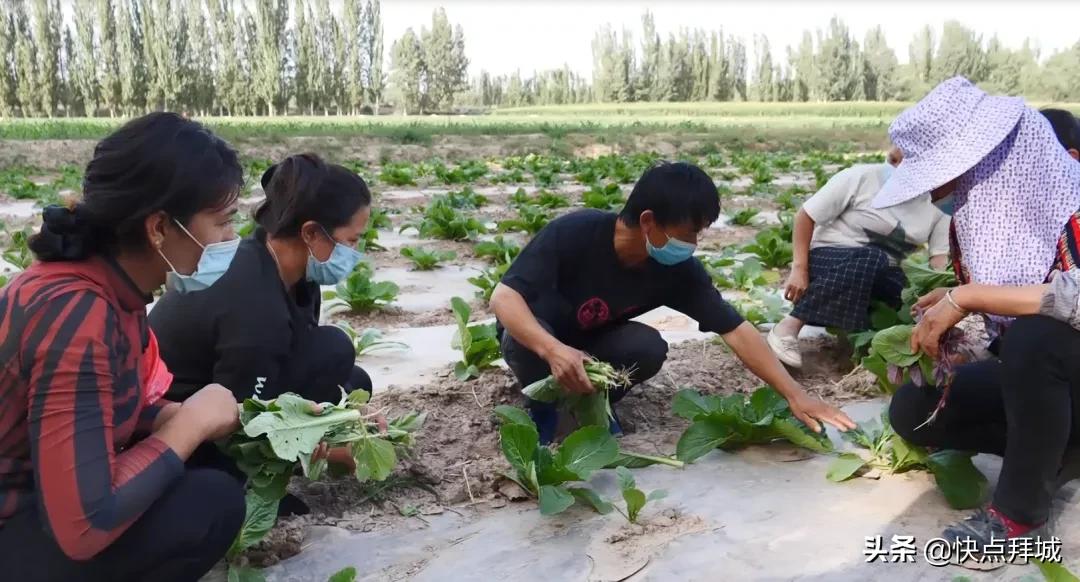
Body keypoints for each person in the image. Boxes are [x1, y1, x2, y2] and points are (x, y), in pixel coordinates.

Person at [0, 112, 246, 581]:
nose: (230, 239)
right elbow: (83, 525)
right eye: (221, 222)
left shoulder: (109, 291)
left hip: (38, 491)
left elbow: (86, 412)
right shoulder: (76, 314)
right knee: (209, 503)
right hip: (17, 519)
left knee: (210, 462)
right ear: (159, 228)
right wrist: (189, 424)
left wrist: (166, 417)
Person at [491, 161, 856, 444]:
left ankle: (588, 404)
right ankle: (543, 406)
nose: (693, 242)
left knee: (647, 348)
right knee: (523, 343)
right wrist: (554, 350)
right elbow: (504, 298)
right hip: (540, 335)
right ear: (648, 221)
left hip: (592, 341)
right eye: (688, 233)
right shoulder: (576, 233)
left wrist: (796, 395)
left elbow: (736, 329)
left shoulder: (677, 269)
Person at [876, 78, 1080, 557]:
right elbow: (1016, 298)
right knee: (916, 409)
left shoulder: (1072, 201)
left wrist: (969, 296)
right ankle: (1059, 450)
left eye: (939, 175)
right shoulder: (981, 217)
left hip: (1058, 362)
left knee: (1036, 339)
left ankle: (1019, 516)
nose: (932, 194)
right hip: (1065, 388)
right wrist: (959, 308)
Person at [150, 153, 373, 405]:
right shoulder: (255, 301)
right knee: (334, 349)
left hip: (238, 377)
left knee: (355, 382)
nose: (354, 252)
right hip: (181, 410)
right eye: (351, 240)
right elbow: (242, 411)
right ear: (310, 232)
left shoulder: (292, 273)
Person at [767, 146, 951, 368]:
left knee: (905, 297)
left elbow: (939, 260)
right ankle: (789, 327)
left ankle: (854, 342)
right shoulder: (862, 176)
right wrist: (799, 269)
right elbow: (805, 216)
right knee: (872, 257)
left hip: (881, 271)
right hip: (829, 260)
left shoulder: (938, 201)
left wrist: (940, 297)